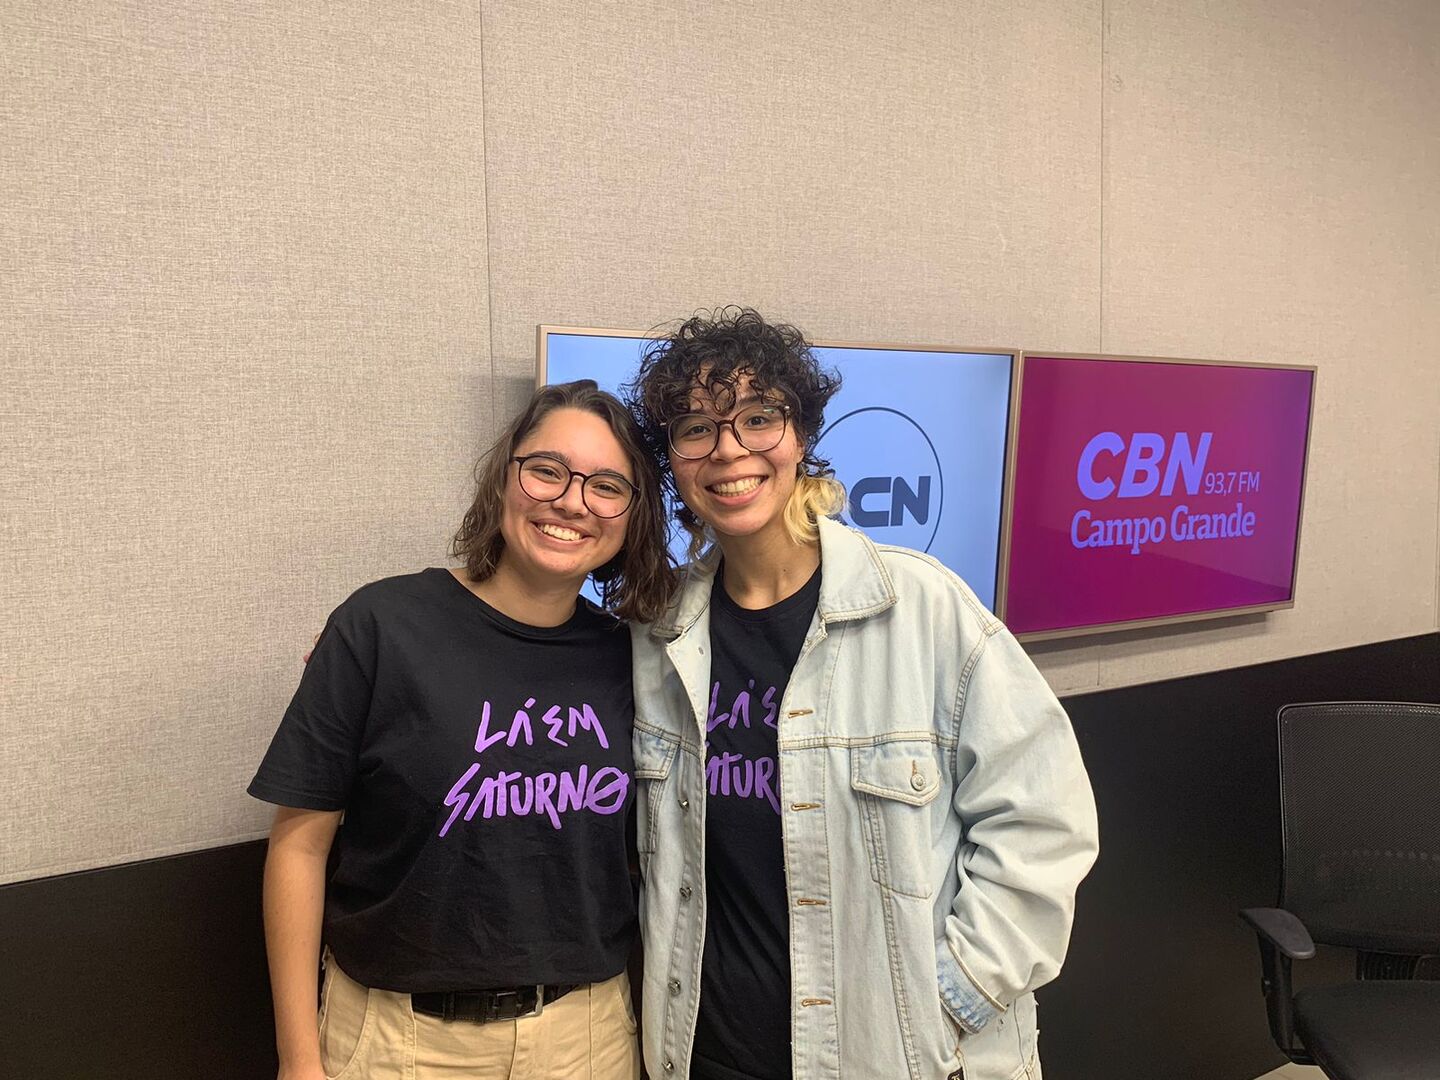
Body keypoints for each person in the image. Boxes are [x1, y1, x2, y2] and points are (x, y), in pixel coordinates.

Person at [625, 308, 1099, 1080]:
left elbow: (1045, 822)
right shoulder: (658, 638)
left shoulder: (923, 609)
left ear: (801, 435)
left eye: (757, 417)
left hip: (891, 1054)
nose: (730, 450)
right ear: (672, 461)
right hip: (707, 1052)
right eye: (695, 428)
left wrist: (948, 996)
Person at [249, 381, 673, 1080]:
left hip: (584, 1042)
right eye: (547, 470)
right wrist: (298, 1061)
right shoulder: (381, 627)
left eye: (606, 485)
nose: (571, 501)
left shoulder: (636, 657)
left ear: (633, 516)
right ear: (504, 477)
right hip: (397, 1044)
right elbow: (299, 848)